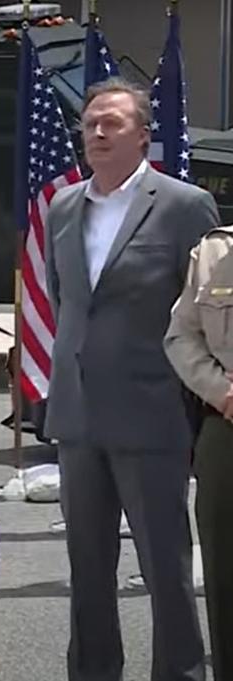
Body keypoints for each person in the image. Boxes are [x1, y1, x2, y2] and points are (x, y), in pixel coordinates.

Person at [44, 77, 218, 681]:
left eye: (110, 123)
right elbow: (66, 299)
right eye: (89, 123)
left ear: (143, 136)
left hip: (153, 413)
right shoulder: (64, 207)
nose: (95, 133)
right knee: (86, 568)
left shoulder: (183, 206)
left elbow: (207, 312)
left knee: (165, 568)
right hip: (78, 416)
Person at [164, 225, 233, 681]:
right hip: (226, 429)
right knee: (226, 585)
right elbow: (181, 336)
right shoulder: (214, 252)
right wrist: (222, 392)